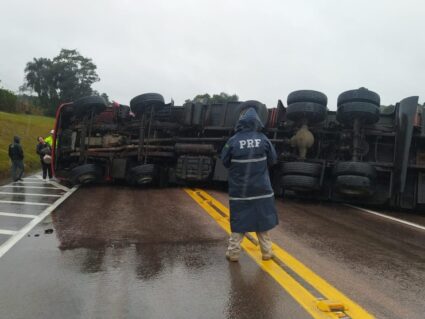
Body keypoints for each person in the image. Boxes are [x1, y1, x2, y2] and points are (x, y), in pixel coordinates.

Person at [221, 107, 278, 262]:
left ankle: (233, 253)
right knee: (262, 220)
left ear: (241, 123)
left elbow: (224, 160)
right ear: (257, 122)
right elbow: (273, 159)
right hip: (261, 188)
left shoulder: (233, 140)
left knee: (240, 221)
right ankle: (267, 252)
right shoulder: (264, 139)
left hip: (241, 190)